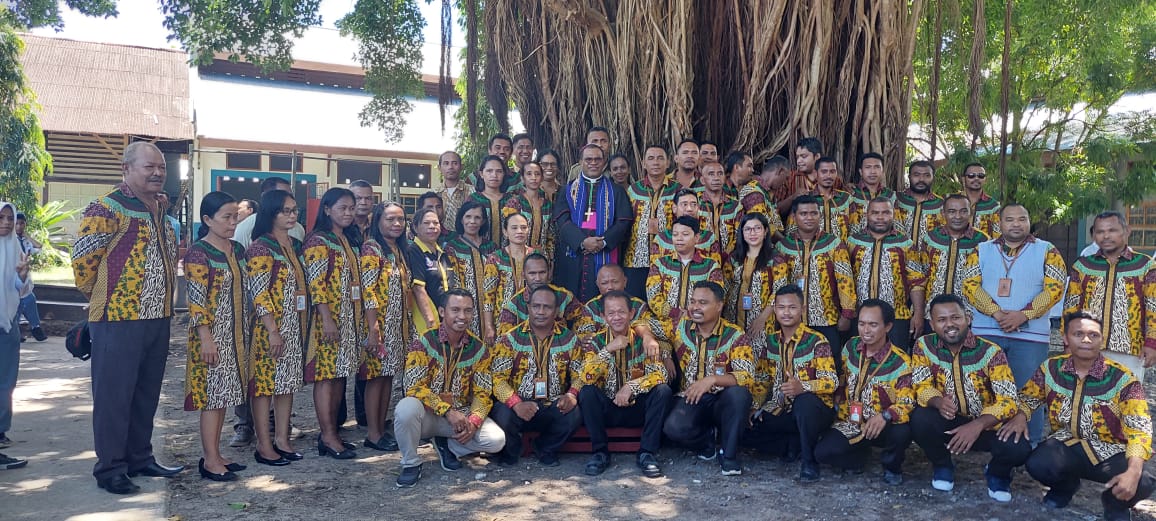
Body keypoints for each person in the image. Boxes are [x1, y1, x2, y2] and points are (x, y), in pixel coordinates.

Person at [72, 142, 184, 494]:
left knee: (146, 393)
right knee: (114, 396)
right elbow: (83, 264)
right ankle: (110, 468)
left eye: (161, 168)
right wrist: (107, 298)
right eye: (149, 167)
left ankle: (140, 457)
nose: (156, 173)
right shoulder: (106, 208)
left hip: (159, 316)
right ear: (126, 169)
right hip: (118, 318)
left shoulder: (162, 207)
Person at [1004, 311, 1155, 521]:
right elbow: (1029, 397)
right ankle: (1065, 488)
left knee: (1142, 482)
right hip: (1066, 446)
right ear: (1065, 338)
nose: (1086, 339)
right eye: (1078, 333)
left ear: (1102, 340)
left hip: (1109, 452)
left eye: (1093, 335)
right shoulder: (1051, 368)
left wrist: (1134, 470)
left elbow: (1140, 428)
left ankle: (1114, 505)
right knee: (1039, 462)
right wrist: (1021, 415)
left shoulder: (1123, 379)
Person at [909, 294, 1030, 501]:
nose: (949, 325)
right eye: (941, 320)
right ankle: (942, 465)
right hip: (949, 421)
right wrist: (938, 402)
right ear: (932, 324)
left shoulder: (991, 352)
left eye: (955, 318)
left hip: (987, 426)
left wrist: (978, 425)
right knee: (920, 419)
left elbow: (1008, 401)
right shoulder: (924, 346)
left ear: (968, 317)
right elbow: (921, 386)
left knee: (1018, 447)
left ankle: (997, 474)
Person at [962, 203, 1066, 443]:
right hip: (988, 330)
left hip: (1030, 335)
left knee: (1029, 391)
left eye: (1022, 218)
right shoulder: (981, 250)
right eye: (1010, 219)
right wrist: (997, 313)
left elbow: (1055, 288)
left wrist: (1024, 315)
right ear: (999, 223)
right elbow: (969, 285)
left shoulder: (1047, 250)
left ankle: (1030, 444)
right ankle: (988, 442)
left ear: (1029, 221)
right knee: (987, 388)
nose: (1016, 224)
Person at [394, 289, 506, 488]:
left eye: (467, 311)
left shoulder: (479, 349)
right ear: (442, 312)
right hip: (427, 415)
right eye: (455, 310)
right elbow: (413, 387)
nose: (462, 316)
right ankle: (411, 463)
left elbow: (482, 392)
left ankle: (449, 445)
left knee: (496, 440)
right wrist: (446, 410)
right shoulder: (423, 342)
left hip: (460, 417)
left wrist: (473, 421)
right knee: (406, 408)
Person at [184, 192, 250, 480]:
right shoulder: (199, 253)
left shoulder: (236, 250)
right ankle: (210, 460)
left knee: (224, 395)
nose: (233, 222)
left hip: (235, 334)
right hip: (212, 335)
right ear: (207, 219)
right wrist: (206, 338)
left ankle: (217, 453)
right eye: (227, 217)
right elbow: (196, 301)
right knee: (212, 398)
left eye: (235, 216)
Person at [658, 281, 755, 476]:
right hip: (692, 397)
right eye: (693, 301)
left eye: (703, 302)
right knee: (673, 428)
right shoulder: (680, 327)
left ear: (719, 306)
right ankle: (707, 441)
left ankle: (729, 456)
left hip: (722, 400)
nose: (695, 307)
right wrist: (661, 348)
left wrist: (711, 380)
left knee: (739, 394)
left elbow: (747, 375)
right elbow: (642, 324)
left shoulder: (735, 334)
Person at [814, 299, 913, 485]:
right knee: (822, 453)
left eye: (873, 325)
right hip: (852, 422)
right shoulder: (851, 347)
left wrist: (885, 415)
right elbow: (842, 378)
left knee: (902, 431)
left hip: (882, 424)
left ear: (888, 326)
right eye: (862, 324)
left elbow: (907, 401)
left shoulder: (901, 361)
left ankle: (891, 466)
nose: (866, 330)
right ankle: (859, 454)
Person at [747, 285, 838, 482]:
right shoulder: (770, 341)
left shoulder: (817, 341)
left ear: (803, 310)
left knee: (804, 403)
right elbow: (762, 378)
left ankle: (809, 462)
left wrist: (803, 387)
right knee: (746, 427)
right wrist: (754, 407)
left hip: (814, 410)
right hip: (781, 408)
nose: (786, 312)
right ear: (775, 310)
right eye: (781, 307)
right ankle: (791, 443)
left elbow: (831, 382)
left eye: (792, 307)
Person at [577, 290, 672, 477]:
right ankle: (600, 453)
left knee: (663, 390)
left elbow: (661, 374)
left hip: (638, 407)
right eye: (611, 313)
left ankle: (647, 453)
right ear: (603, 317)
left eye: (621, 312)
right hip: (608, 409)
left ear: (631, 314)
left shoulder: (644, 341)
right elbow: (585, 376)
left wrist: (631, 387)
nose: (617, 317)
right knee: (587, 392)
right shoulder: (596, 341)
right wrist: (608, 350)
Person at [245, 190, 308, 465]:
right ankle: (263, 443)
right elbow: (259, 292)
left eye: (295, 210)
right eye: (286, 210)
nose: (292, 215)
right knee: (264, 386)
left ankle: (282, 438)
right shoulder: (260, 247)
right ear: (271, 213)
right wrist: (272, 329)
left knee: (287, 383)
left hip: (293, 325)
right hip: (268, 327)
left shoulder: (293, 245)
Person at [490, 285, 585, 467]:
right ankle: (511, 451)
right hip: (518, 403)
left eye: (547, 307)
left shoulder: (570, 339)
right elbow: (497, 379)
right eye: (536, 306)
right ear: (528, 308)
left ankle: (544, 447)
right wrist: (516, 403)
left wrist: (572, 394)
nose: (541, 312)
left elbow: (580, 375)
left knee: (574, 413)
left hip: (551, 403)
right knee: (502, 412)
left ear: (556, 311)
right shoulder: (509, 339)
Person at [304, 188, 365, 460]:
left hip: (348, 318)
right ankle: (327, 435)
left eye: (352, 208)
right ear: (327, 209)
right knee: (326, 376)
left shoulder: (347, 239)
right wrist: (327, 319)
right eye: (343, 208)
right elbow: (316, 285)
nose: (349, 213)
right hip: (328, 319)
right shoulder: (319, 241)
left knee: (341, 374)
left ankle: (333, 433)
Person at [360, 202, 417, 453]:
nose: (396, 224)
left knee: (387, 377)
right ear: (378, 221)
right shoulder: (372, 249)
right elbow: (368, 290)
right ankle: (373, 434)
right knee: (375, 378)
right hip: (379, 325)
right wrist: (373, 328)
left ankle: (381, 430)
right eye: (390, 219)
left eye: (401, 220)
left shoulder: (398, 248)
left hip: (397, 325)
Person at [772, 195, 856, 356]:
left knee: (829, 364)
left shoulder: (833, 243)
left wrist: (847, 313)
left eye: (813, 213)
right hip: (792, 319)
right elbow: (777, 285)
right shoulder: (783, 246)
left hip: (826, 318)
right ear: (794, 217)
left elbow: (845, 279)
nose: (809, 217)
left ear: (820, 215)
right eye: (803, 214)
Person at [1065, 211, 1155, 361]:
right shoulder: (1082, 266)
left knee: (1128, 385)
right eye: (1100, 231)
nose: (1106, 236)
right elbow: (1070, 308)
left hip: (1129, 350)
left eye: (1112, 230)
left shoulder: (1145, 266)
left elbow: (1154, 307)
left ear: (1127, 231)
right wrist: (1068, 342)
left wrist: (1152, 343)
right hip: (1086, 347)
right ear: (1094, 236)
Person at [552, 143, 633, 302]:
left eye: (597, 159)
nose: (593, 163)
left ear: (604, 162)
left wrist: (602, 243)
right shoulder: (567, 190)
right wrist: (582, 241)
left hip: (605, 253)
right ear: (581, 162)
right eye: (588, 159)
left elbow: (623, 222)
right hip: (574, 257)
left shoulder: (616, 191)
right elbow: (561, 220)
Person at [846, 197, 926, 351]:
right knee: (859, 361)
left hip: (897, 318)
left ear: (893, 215)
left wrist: (918, 313)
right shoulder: (853, 242)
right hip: (861, 318)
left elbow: (916, 282)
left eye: (886, 213)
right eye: (875, 213)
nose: (880, 217)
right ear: (867, 214)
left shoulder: (905, 244)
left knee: (895, 363)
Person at [623, 144, 679, 298]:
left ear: (668, 163)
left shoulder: (677, 190)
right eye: (651, 158)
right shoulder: (633, 190)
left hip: (667, 258)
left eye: (660, 158)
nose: (656, 162)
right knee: (636, 302)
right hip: (636, 259)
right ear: (643, 163)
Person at [646, 216, 725, 322]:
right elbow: (652, 294)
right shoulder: (660, 264)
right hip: (667, 324)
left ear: (697, 238)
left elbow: (715, 298)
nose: (679, 238)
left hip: (698, 324)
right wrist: (675, 313)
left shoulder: (711, 266)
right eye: (675, 234)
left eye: (685, 234)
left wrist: (690, 314)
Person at [0, 202, 29, 470]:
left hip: (7, 323)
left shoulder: (13, 248)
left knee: (6, 382)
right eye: (2, 217)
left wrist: (22, 275)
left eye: (10, 218)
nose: (7, 223)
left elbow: (20, 288)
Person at [922, 194, 988, 310]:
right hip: (932, 311)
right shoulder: (931, 238)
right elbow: (923, 274)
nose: (958, 216)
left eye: (963, 211)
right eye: (952, 212)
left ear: (970, 213)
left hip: (969, 313)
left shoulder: (983, 241)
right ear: (943, 213)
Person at [724, 213, 776, 354]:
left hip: (762, 323)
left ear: (765, 231)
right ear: (742, 232)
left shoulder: (775, 259)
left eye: (757, 228)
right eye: (747, 229)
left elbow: (778, 292)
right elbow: (724, 289)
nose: (752, 233)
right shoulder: (734, 258)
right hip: (733, 320)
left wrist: (762, 319)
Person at [445, 201, 497, 339]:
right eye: (468, 217)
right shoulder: (453, 247)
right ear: (461, 219)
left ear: (483, 221)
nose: (472, 221)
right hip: (465, 310)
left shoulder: (491, 247)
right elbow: (451, 282)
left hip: (491, 309)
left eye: (477, 218)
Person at [496, 253, 583, 335]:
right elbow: (504, 338)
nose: (537, 278)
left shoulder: (564, 297)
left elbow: (583, 319)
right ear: (523, 275)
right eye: (532, 273)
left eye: (542, 273)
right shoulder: (514, 304)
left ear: (549, 273)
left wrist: (577, 340)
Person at [483, 213, 534, 344]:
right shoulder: (495, 258)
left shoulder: (535, 256)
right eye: (514, 227)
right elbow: (488, 296)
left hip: (532, 317)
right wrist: (489, 326)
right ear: (505, 232)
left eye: (523, 227)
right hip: (503, 319)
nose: (519, 231)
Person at [784, 157, 852, 241]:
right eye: (824, 172)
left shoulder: (846, 199)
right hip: (812, 252)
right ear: (816, 174)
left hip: (841, 252)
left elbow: (855, 230)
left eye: (832, 171)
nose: (828, 175)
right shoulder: (804, 199)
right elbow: (791, 231)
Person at [406, 207, 453, 330]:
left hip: (446, 319)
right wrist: (431, 321)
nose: (432, 226)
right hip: (427, 322)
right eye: (426, 223)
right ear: (415, 227)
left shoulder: (442, 252)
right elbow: (418, 288)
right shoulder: (414, 251)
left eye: (436, 223)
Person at [574, 263, 651, 335]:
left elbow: (650, 328)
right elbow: (582, 333)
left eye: (615, 282)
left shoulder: (639, 306)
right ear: (597, 284)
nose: (610, 287)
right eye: (604, 283)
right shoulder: (591, 307)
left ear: (625, 281)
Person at [232, 177, 305, 250]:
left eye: (290, 195)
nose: (287, 198)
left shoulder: (298, 229)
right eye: (280, 194)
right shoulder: (246, 227)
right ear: (265, 196)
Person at [651, 189, 720, 264]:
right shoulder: (661, 239)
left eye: (693, 205)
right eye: (684, 204)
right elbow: (655, 271)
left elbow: (715, 269)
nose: (689, 209)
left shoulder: (709, 238)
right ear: (674, 208)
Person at [503, 161, 554, 260]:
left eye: (537, 174)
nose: (534, 178)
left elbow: (550, 236)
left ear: (542, 178)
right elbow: (507, 234)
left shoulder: (547, 205)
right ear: (522, 178)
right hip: (518, 256)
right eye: (529, 174)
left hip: (542, 258)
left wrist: (550, 259)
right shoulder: (514, 203)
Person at [893, 160, 944, 249]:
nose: (921, 179)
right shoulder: (895, 200)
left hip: (929, 260)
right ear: (909, 177)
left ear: (933, 178)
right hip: (898, 259)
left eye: (927, 175)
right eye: (916, 175)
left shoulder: (942, 205)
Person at [698, 161, 742, 260]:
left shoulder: (735, 206)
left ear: (724, 178)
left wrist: (726, 254)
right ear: (702, 180)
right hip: (702, 262)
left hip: (730, 261)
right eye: (711, 174)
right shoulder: (695, 204)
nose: (716, 178)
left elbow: (740, 235)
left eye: (720, 173)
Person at [13, 212, 45, 342]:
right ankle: (18, 330)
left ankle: (35, 326)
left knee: (29, 299)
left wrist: (27, 236)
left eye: (22, 223)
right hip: (11, 274)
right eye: (17, 223)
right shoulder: (8, 239)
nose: (19, 226)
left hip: (24, 275)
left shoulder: (25, 241)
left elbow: (39, 247)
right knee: (18, 302)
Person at [775, 136, 825, 215]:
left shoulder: (831, 179)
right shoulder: (789, 178)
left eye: (804, 156)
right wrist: (793, 197)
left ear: (817, 157)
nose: (799, 161)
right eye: (797, 157)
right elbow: (775, 210)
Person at [738, 156, 787, 236]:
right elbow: (762, 227)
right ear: (780, 171)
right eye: (786, 177)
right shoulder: (754, 192)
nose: (785, 182)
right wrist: (786, 245)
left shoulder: (766, 193)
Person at [848, 152, 895, 235]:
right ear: (861, 171)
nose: (872, 171)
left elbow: (896, 226)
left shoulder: (891, 195)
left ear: (883, 171)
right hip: (857, 245)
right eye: (868, 167)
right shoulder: (850, 193)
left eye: (877, 167)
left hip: (885, 245)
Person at [468, 155, 510, 245]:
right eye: (489, 171)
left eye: (499, 171)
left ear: (504, 174)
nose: (494, 175)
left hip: (508, 254)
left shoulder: (511, 200)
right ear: (482, 174)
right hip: (480, 252)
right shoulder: (473, 199)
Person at [959, 163, 1001, 238]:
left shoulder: (993, 206)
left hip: (982, 248)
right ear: (963, 179)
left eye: (981, 176)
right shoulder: (951, 201)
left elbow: (998, 236)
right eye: (971, 175)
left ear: (985, 179)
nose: (976, 178)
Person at [435, 151, 468, 232]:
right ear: (439, 168)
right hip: (438, 240)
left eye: (455, 163)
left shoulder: (472, 192)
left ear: (461, 166)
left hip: (464, 241)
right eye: (446, 163)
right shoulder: (434, 194)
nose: (450, 167)